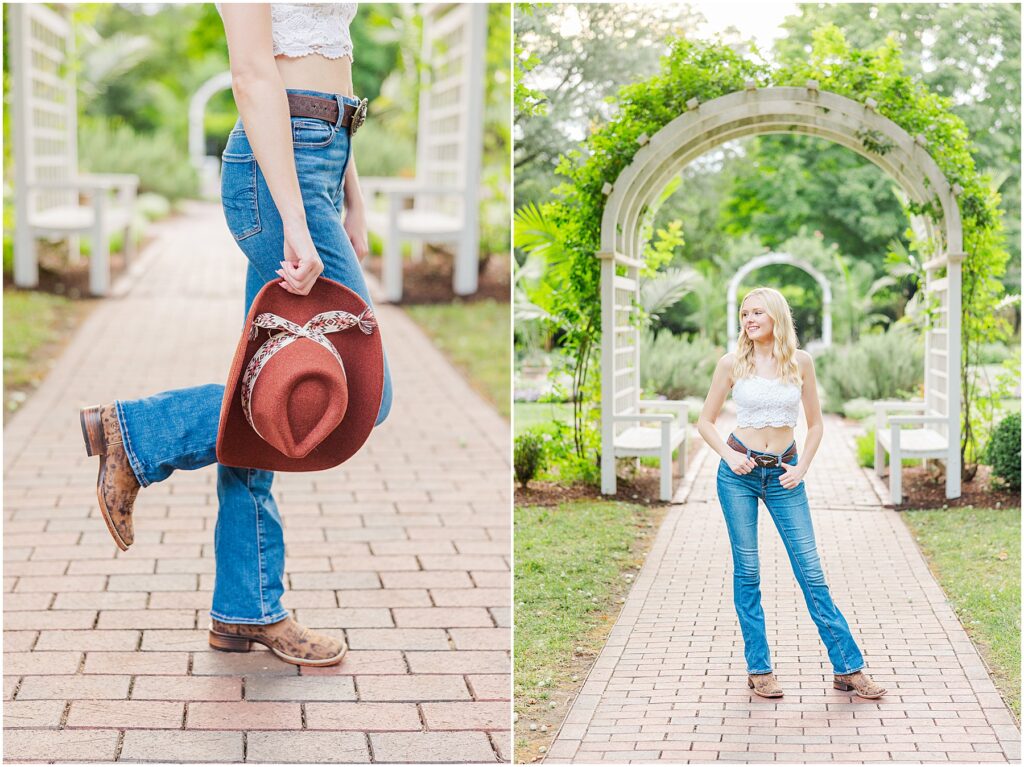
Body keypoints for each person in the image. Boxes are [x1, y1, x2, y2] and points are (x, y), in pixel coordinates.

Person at [78, 2, 392, 668]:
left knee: (272, 376)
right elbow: (254, 75)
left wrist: (350, 191)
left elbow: (330, 60)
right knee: (365, 388)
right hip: (278, 172)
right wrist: (299, 224)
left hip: (319, 159)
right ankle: (135, 433)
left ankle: (246, 608)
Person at [695, 286, 886, 699]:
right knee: (748, 572)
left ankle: (848, 668)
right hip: (739, 474)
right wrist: (729, 457)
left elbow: (815, 425)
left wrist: (802, 468)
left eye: (757, 312)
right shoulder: (731, 363)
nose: (749, 320)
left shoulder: (800, 362)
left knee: (811, 573)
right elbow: (705, 422)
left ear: (776, 317)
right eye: (745, 313)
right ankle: (759, 668)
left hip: (784, 476)